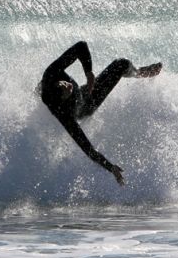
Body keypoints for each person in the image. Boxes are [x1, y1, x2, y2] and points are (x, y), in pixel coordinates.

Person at [39, 41, 162, 186]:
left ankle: (139, 72)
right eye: (66, 92)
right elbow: (88, 149)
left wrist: (88, 71)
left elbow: (81, 46)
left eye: (64, 84)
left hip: (81, 90)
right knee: (118, 67)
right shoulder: (64, 116)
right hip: (86, 104)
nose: (68, 86)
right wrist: (111, 167)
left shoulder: (52, 72)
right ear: (62, 101)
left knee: (121, 63)